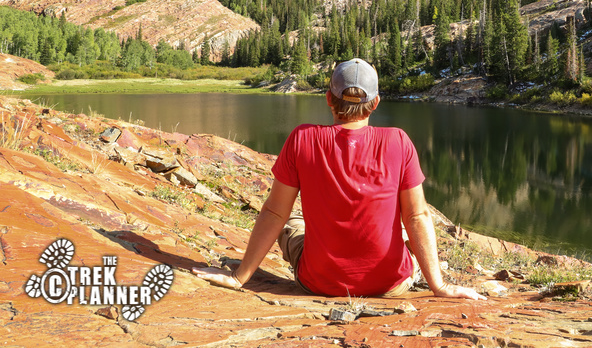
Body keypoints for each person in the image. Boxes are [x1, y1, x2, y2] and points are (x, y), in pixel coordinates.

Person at [194, 58, 485, 300]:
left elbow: (274, 212)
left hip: (320, 284)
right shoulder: (398, 141)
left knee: (293, 224)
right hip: (390, 287)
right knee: (405, 234)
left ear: (329, 99)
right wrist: (440, 287)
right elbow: (417, 215)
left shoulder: (303, 138)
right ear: (376, 103)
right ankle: (422, 275)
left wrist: (239, 276)